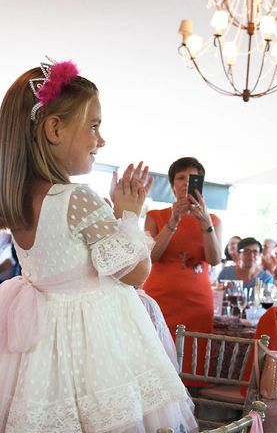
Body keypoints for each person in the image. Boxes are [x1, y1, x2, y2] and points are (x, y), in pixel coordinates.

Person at [0, 60, 197, 432]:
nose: (101, 140)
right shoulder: (76, 198)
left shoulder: (22, 200)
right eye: (94, 126)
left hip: (44, 352)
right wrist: (128, 215)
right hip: (90, 348)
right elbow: (136, 273)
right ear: (54, 129)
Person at [143, 156, 222, 385]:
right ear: (172, 183)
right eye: (180, 177)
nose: (186, 182)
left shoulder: (213, 220)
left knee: (192, 368)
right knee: (156, 367)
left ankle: (192, 418)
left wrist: (205, 222)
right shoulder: (155, 216)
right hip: (160, 300)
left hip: (197, 303)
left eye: (193, 178)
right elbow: (151, 256)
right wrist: (174, 220)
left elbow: (214, 259)